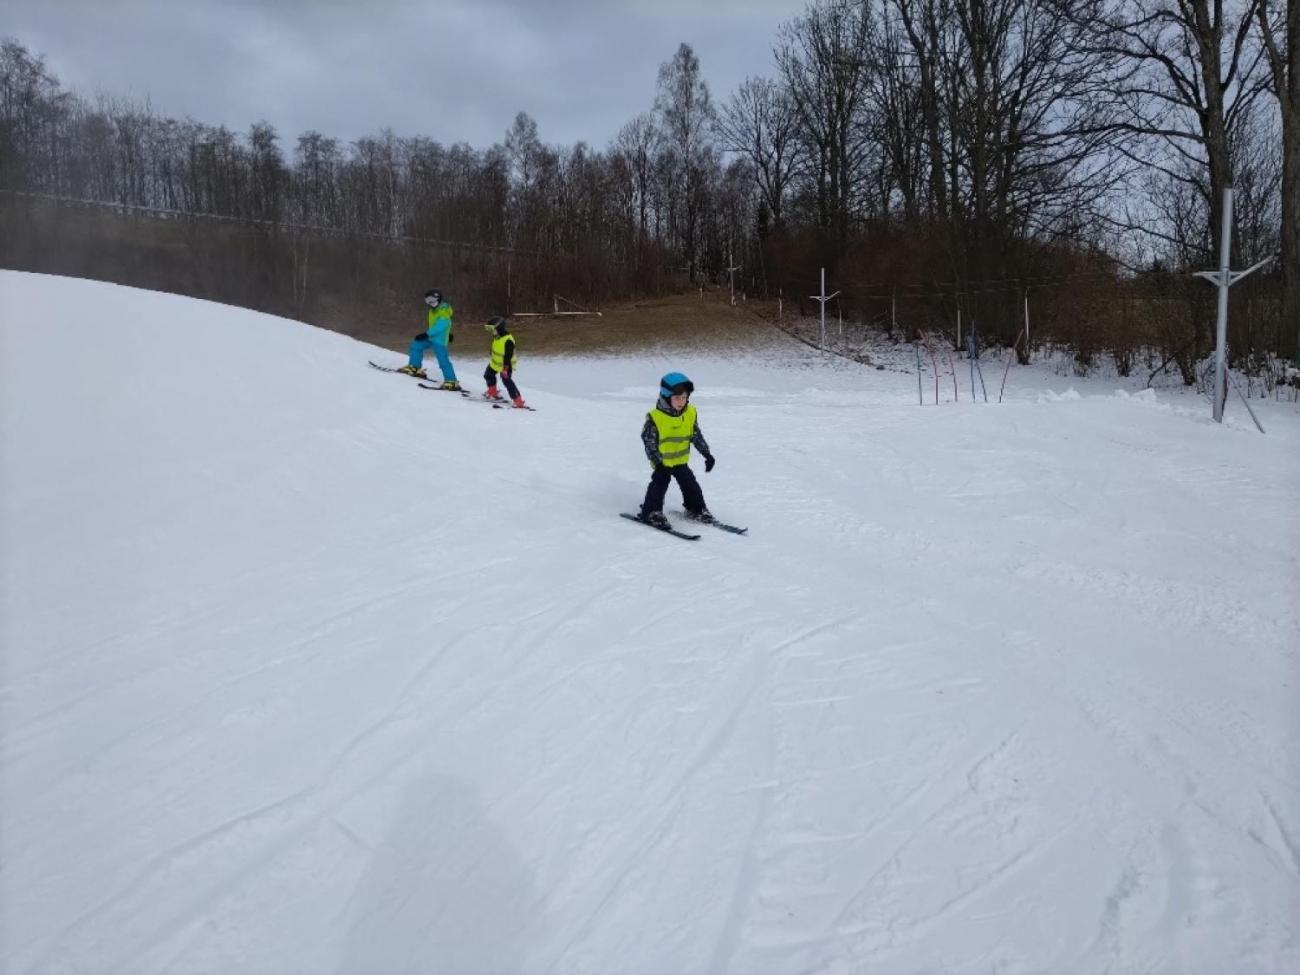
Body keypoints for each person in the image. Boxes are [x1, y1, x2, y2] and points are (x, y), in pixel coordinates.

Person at [638, 372, 716, 527]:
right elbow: (649, 443)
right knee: (660, 483)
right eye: (677, 397)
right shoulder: (656, 418)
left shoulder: (690, 413)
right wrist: (658, 463)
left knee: (690, 484)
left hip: (680, 461)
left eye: (684, 397)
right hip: (662, 463)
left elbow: (695, 434)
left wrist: (707, 454)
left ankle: (696, 509)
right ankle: (651, 512)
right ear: (667, 397)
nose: (682, 401)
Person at [398, 288, 459, 389]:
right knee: (416, 345)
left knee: (443, 361)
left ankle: (451, 381)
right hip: (432, 337)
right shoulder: (433, 310)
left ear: (438, 299)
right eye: (427, 300)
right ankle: (414, 367)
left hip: (439, 341)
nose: (430, 302)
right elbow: (438, 325)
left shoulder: (443, 310)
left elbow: (441, 325)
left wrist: (427, 334)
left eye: (432, 299)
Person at [481, 316, 527, 409]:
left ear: (499, 328)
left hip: (506, 365)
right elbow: (497, 346)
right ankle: (492, 391)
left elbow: (507, 356)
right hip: (495, 363)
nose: (491, 332)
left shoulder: (508, 340)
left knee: (507, 381)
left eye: (492, 329)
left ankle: (518, 400)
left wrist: (505, 369)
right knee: (488, 375)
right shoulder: (497, 336)